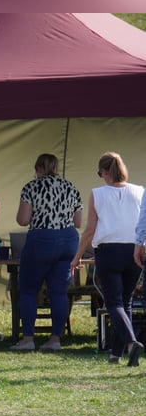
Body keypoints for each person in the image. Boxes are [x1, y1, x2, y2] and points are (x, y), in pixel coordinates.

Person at [72, 152, 144, 367]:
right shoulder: (139, 191)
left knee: (113, 302)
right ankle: (116, 353)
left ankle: (131, 343)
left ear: (104, 172)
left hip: (108, 251)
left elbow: (90, 230)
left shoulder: (98, 193)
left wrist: (77, 256)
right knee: (125, 301)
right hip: (134, 249)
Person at [11, 153, 83, 352]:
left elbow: (23, 220)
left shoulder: (31, 187)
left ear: (38, 168)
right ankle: (55, 339)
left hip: (41, 240)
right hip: (68, 240)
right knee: (59, 291)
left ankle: (28, 339)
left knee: (28, 290)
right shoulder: (71, 188)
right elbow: (78, 223)